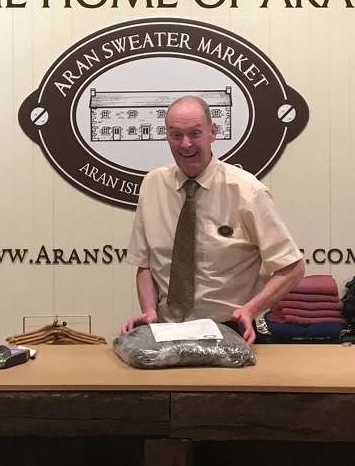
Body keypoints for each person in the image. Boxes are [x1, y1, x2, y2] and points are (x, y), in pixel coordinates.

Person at [121, 95, 305, 344]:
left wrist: (250, 310)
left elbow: (292, 267)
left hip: (230, 333)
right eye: (176, 135)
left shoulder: (247, 191)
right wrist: (150, 311)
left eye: (195, 133)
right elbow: (145, 264)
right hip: (166, 332)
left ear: (213, 132)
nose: (186, 144)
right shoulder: (152, 185)